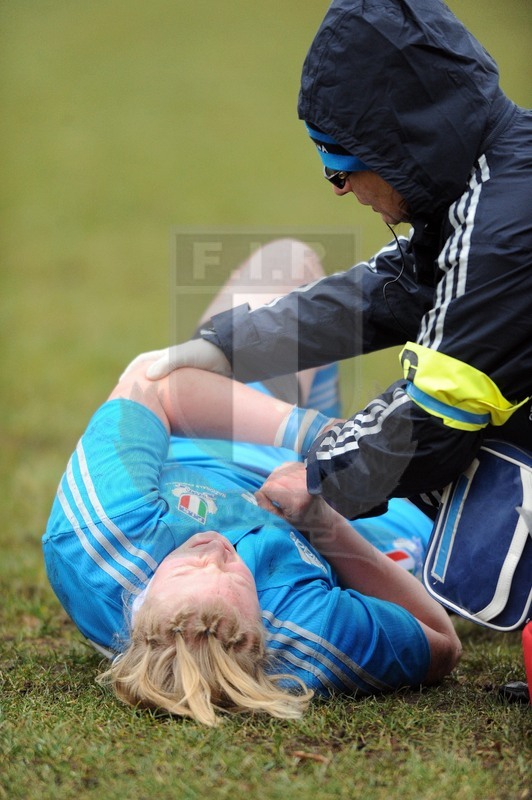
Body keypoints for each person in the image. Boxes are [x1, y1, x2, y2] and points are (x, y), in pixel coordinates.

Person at [138, 0, 532, 523]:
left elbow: (431, 425)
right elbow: (388, 292)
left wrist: (318, 472)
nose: (339, 190)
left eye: (341, 167)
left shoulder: (499, 232)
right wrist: (229, 348)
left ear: (405, 146)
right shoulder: (496, 174)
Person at [43, 248, 461, 726]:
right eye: (235, 575)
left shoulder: (101, 531)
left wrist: (320, 438)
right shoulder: (304, 634)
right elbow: (442, 642)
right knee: (467, 515)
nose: (216, 550)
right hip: (325, 519)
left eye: (186, 569)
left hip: (217, 438)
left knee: (287, 262)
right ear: (259, 630)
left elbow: (152, 381)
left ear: (140, 619)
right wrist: (324, 525)